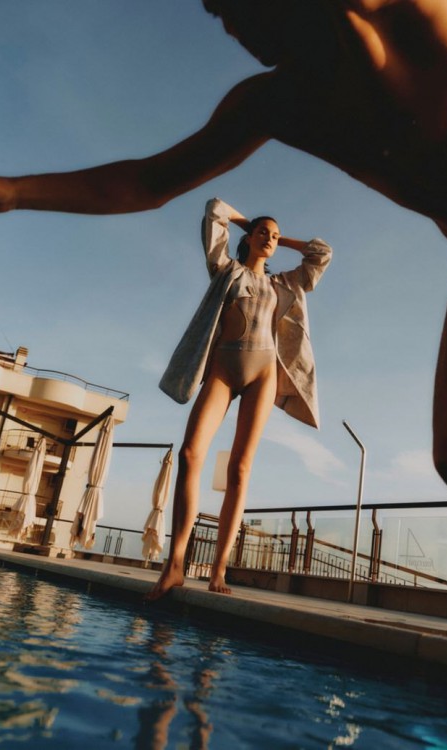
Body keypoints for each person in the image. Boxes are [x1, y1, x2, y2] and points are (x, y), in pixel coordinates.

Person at [0, 2, 447, 574]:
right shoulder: (274, 103)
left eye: (229, 6)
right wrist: (5, 192)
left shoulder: (401, 13)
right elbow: (146, 183)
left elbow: (317, 254)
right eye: (216, 15)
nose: (230, 25)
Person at [147, 197, 331, 597]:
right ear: (247, 238)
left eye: (275, 236)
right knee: (190, 454)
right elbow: (215, 209)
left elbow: (321, 253)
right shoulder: (225, 268)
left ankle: (219, 571)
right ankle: (175, 564)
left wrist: (281, 240)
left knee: (240, 469)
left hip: (263, 375)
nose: (270, 239)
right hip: (222, 370)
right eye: (264, 233)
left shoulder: (284, 283)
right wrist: (250, 224)